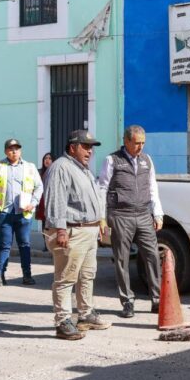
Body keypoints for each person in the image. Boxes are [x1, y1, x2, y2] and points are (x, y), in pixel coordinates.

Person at [44, 130, 110, 340]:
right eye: (85, 146)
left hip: (88, 231)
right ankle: (63, 321)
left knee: (87, 275)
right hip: (71, 231)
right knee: (66, 278)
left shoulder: (82, 169)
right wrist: (60, 230)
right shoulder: (60, 167)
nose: (90, 151)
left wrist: (99, 222)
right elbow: (55, 201)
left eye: (91, 148)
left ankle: (85, 315)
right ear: (72, 147)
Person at [98, 124, 163, 318]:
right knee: (122, 259)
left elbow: (153, 187)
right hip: (121, 215)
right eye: (136, 143)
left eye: (143, 143)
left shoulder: (147, 160)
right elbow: (102, 188)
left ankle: (157, 299)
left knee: (152, 255)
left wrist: (157, 213)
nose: (140, 147)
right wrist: (102, 218)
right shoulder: (112, 160)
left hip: (143, 214)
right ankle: (127, 301)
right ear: (126, 141)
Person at [0, 138, 43, 287]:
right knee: (5, 245)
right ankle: (0, 275)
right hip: (4, 212)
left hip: (23, 213)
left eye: (17, 149)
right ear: (5, 151)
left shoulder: (29, 167)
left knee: (24, 244)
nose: (14, 152)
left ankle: (27, 275)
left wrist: (33, 203)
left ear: (20, 151)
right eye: (11, 149)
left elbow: (39, 186)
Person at [36, 152, 54, 251]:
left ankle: (52, 243)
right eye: (45, 158)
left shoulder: (56, 171)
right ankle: (46, 244)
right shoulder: (39, 172)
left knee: (52, 224)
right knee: (44, 224)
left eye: (50, 158)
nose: (47, 160)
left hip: (52, 201)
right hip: (42, 201)